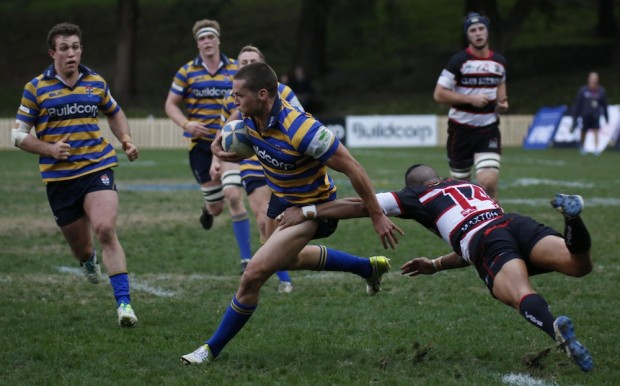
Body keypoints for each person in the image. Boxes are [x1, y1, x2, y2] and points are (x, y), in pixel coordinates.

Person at [180, 62, 402, 365]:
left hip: (313, 209)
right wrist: (223, 146)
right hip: (282, 201)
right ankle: (367, 268)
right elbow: (239, 125)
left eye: (238, 96)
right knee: (290, 259)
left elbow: (353, 167)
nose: (234, 103)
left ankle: (210, 349)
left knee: (253, 275)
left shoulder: (302, 129)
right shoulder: (249, 116)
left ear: (261, 94)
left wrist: (376, 215)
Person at [278, 164, 594, 373]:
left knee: (517, 294)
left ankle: (559, 333)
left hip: (485, 239)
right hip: (511, 222)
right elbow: (468, 248)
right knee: (577, 264)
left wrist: (308, 211)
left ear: (412, 185)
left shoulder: (415, 194)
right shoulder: (466, 185)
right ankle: (573, 219)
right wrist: (435, 264)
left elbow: (362, 204)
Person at [11, 22, 139, 327]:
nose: (72, 53)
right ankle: (87, 260)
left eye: (76, 47)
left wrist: (125, 139)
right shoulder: (36, 88)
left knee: (105, 229)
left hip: (97, 166)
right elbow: (18, 136)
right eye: (65, 48)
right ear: (52, 53)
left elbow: (114, 112)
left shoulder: (95, 82)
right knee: (82, 248)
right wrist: (50, 149)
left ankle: (124, 305)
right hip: (59, 179)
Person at [164, 19, 253, 272]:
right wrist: (187, 124)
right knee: (217, 207)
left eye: (210, 37)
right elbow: (170, 104)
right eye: (202, 38)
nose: (207, 42)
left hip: (232, 141)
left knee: (234, 195)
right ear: (197, 43)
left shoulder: (236, 68)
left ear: (218, 40)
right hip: (201, 145)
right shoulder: (187, 71)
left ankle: (246, 259)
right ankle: (208, 208)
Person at [220, 45, 304, 292]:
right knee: (262, 218)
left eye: (251, 60)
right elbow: (226, 131)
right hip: (253, 161)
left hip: (282, 159)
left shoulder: (284, 91)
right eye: (242, 61)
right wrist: (218, 158)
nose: (246, 64)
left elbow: (301, 118)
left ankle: (280, 271)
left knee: (276, 218)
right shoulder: (233, 96)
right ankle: (281, 276)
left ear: (262, 65)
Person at [433, 12, 508, 201]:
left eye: (481, 28)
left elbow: (501, 92)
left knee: (488, 182)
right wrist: (470, 99)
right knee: (462, 189)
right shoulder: (458, 62)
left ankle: (495, 224)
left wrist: (503, 103)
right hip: (460, 131)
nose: (478, 33)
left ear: (487, 32)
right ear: (468, 35)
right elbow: (439, 94)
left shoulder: (499, 62)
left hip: (488, 130)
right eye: (472, 30)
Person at [571, 71, 609, 155]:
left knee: (596, 130)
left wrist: (606, 117)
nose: (594, 80)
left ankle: (596, 148)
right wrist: (575, 115)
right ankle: (582, 146)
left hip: (596, 114)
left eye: (595, 78)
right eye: (592, 78)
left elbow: (604, 105)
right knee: (583, 130)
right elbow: (578, 103)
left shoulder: (601, 91)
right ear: (588, 79)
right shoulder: (583, 90)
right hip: (585, 114)